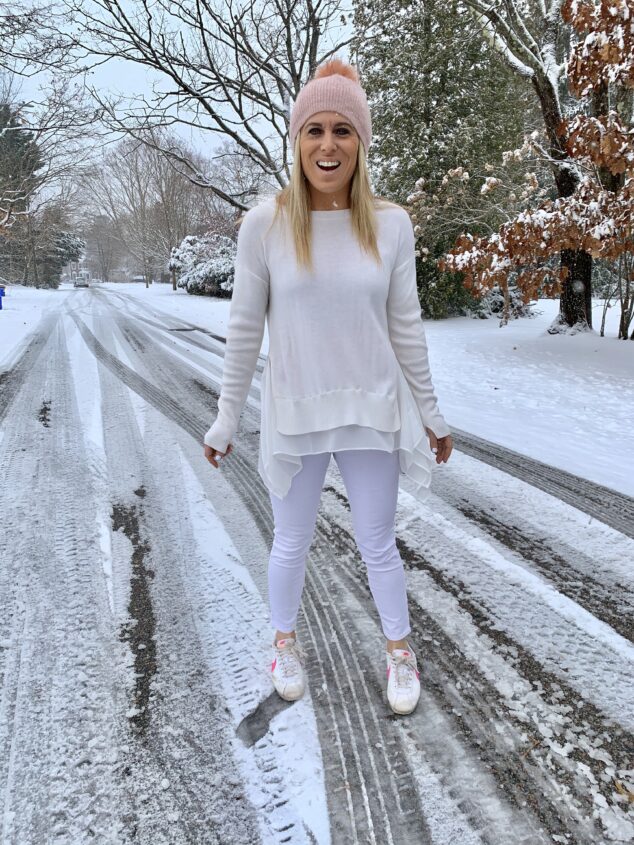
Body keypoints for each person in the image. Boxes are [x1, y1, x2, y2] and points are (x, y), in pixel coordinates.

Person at [203, 58, 453, 716]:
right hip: (296, 413)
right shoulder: (267, 224)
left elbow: (406, 328)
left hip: (373, 409)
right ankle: (283, 642)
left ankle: (400, 649)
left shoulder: (392, 226)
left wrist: (431, 412)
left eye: (343, 129)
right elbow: (243, 327)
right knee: (291, 540)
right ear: (297, 141)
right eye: (314, 130)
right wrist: (227, 417)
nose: (328, 144)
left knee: (378, 541)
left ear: (361, 141)